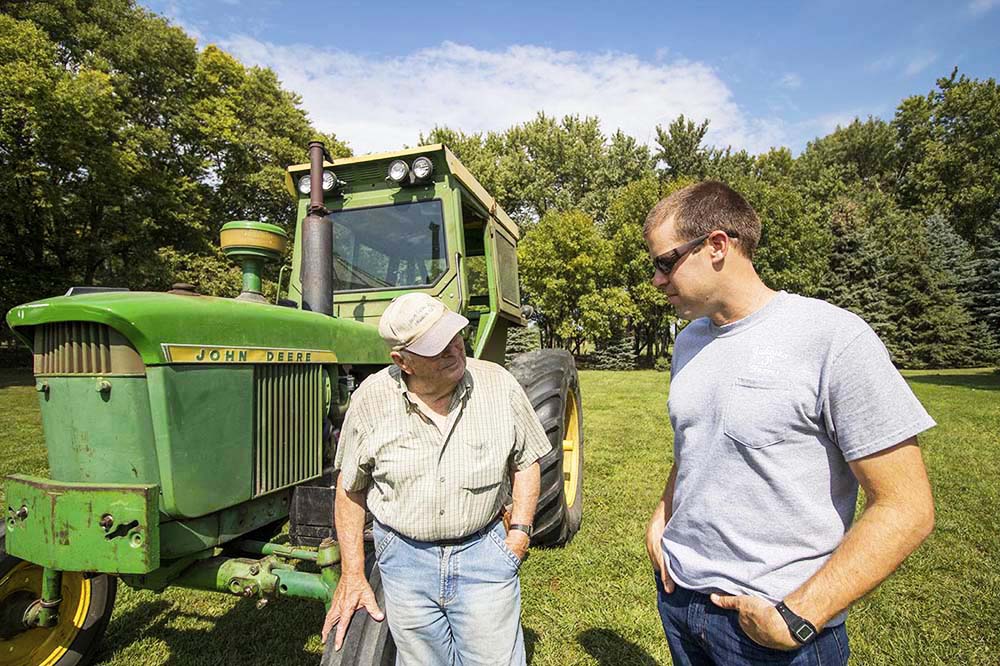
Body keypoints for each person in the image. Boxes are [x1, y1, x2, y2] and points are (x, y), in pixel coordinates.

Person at [642, 181, 936, 665]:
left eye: (665, 261)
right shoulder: (689, 341)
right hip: (679, 598)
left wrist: (799, 613)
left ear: (716, 246)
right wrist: (662, 514)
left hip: (770, 627)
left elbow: (907, 506)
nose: (657, 279)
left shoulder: (833, 338)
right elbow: (698, 444)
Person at [321, 292, 551, 666]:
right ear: (402, 361)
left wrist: (520, 534)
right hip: (405, 562)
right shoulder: (371, 400)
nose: (453, 349)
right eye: (435, 345)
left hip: (483, 555)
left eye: (453, 335)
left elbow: (527, 461)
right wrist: (353, 572)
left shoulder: (499, 385)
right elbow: (350, 489)